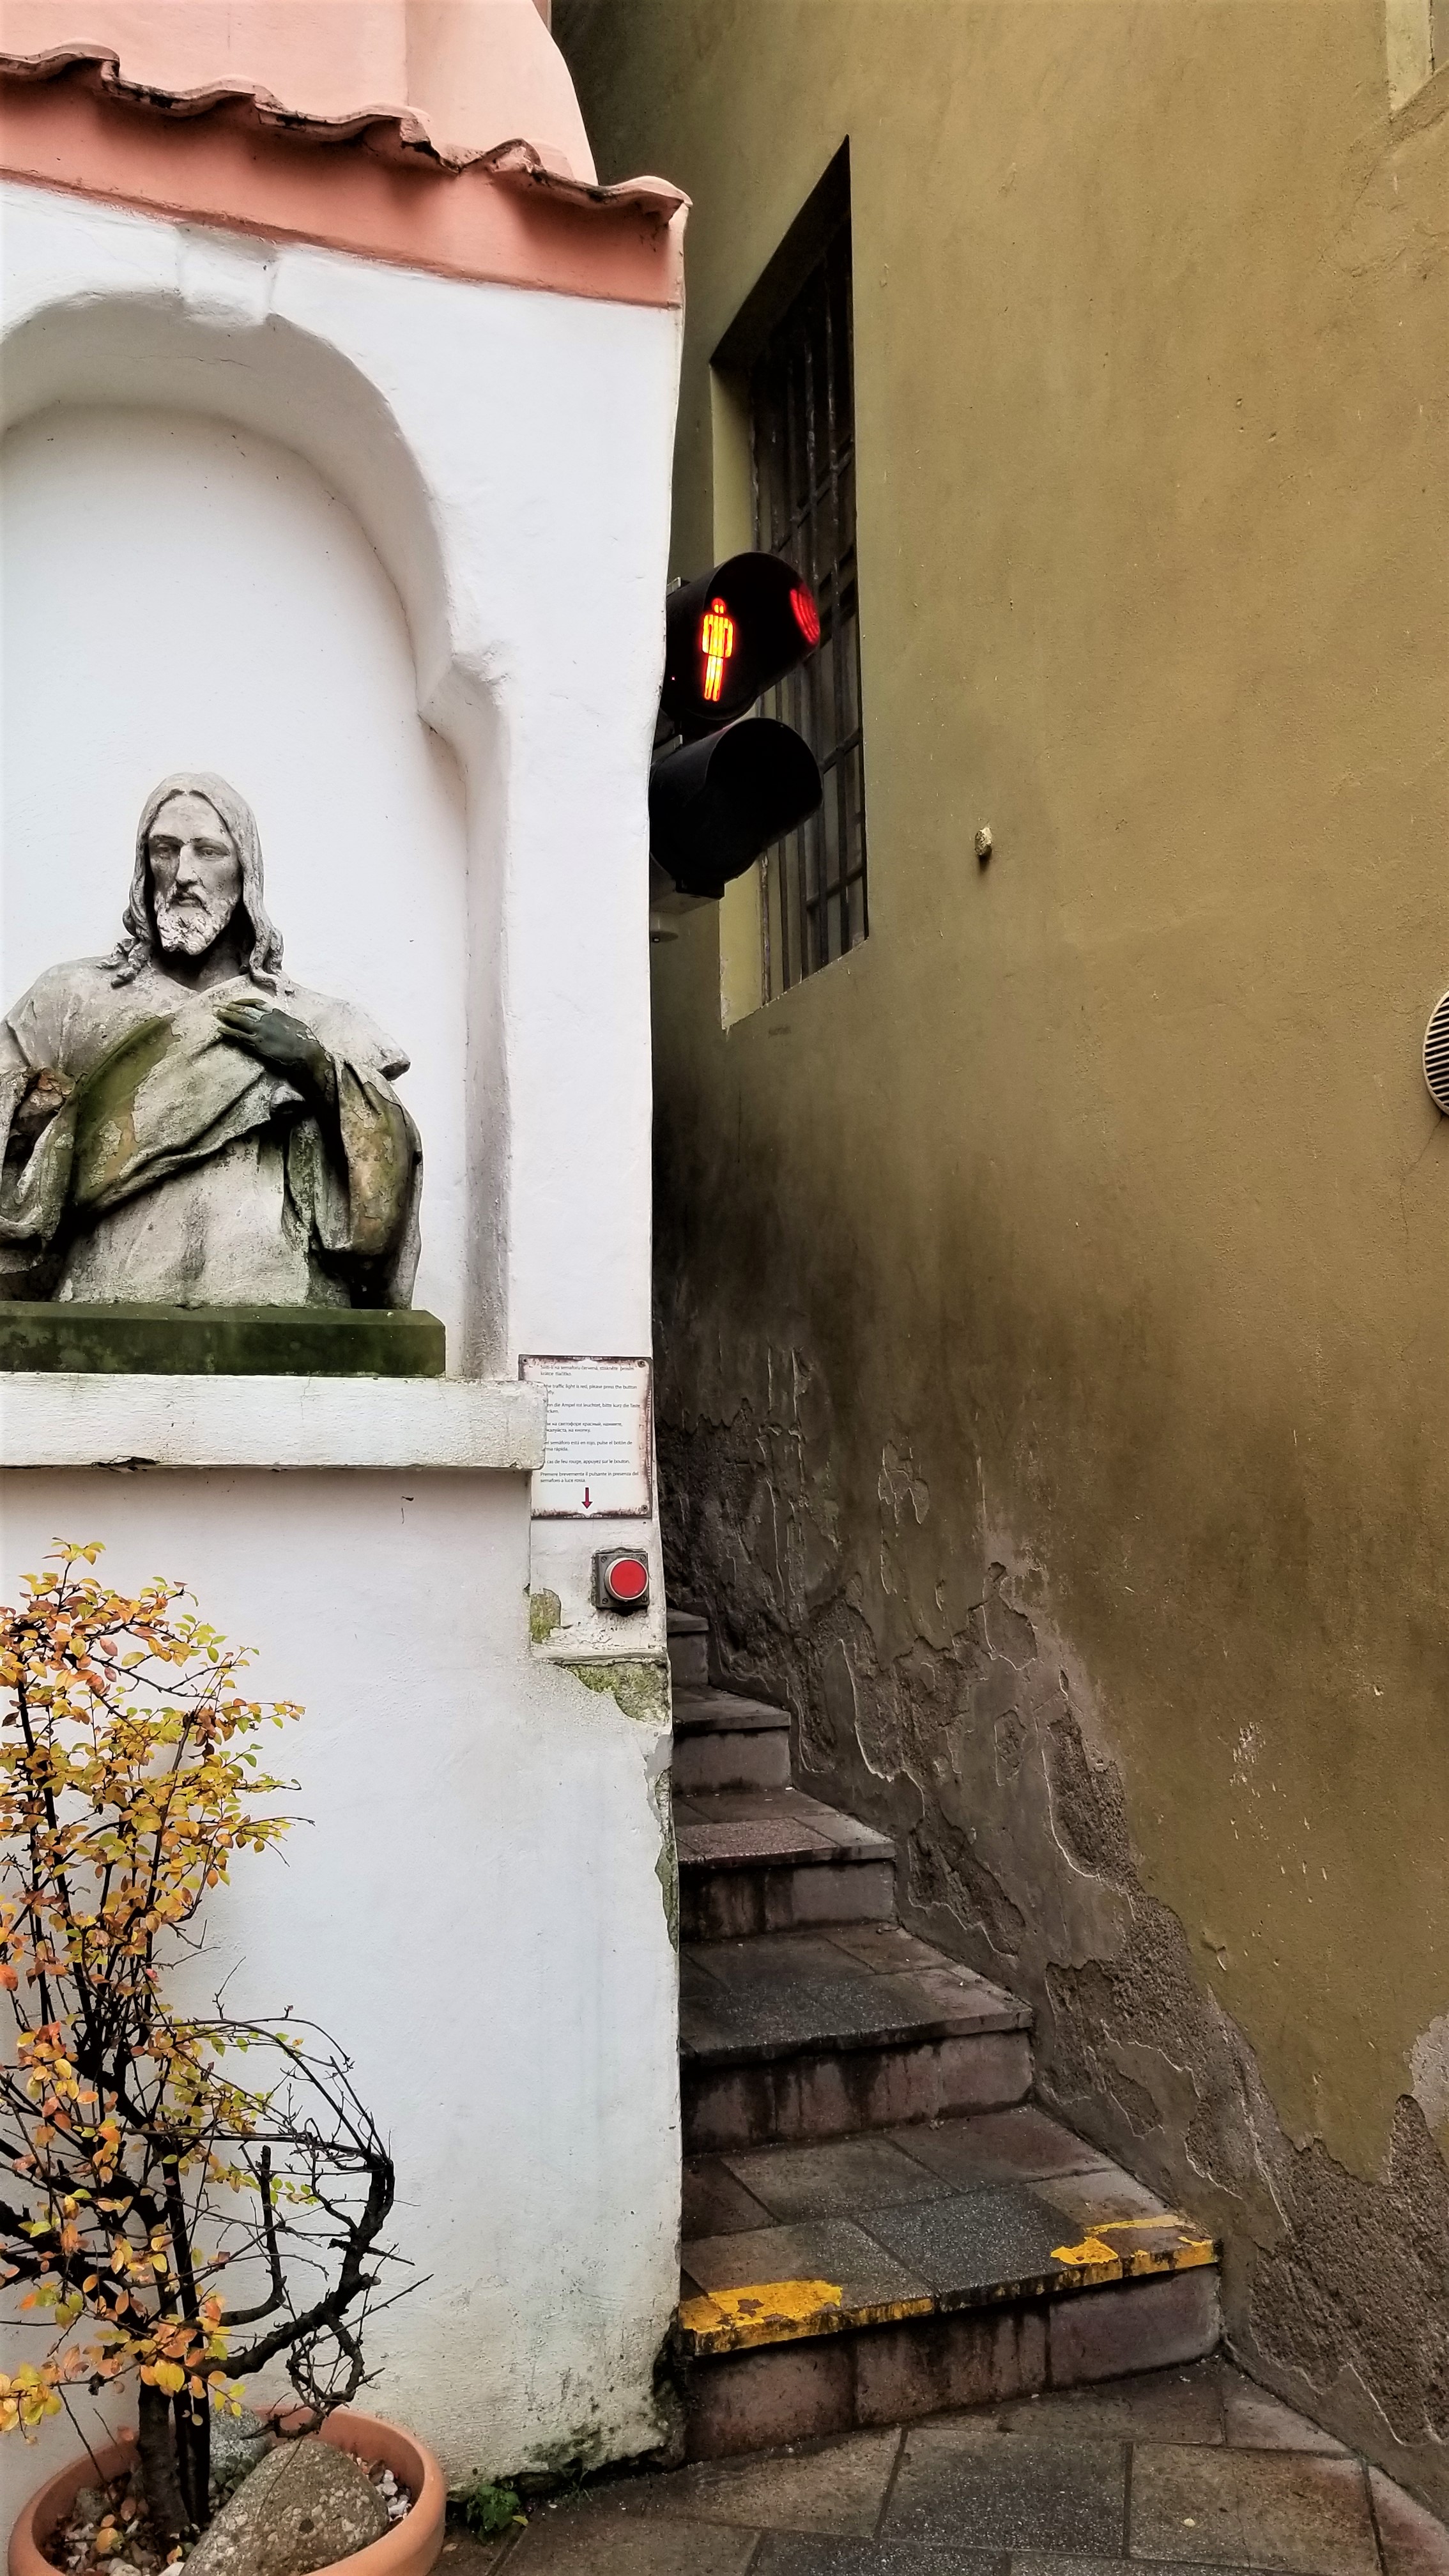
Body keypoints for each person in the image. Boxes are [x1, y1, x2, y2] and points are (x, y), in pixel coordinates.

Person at [0, 774, 422, 1308]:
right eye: (164, 850)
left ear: (246, 872)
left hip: (274, 1295)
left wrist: (316, 1067)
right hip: (107, 1293)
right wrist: (43, 1106)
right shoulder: (71, 999)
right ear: (144, 866)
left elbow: (387, 1175)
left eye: (208, 851)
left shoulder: (320, 1019)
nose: (184, 874)